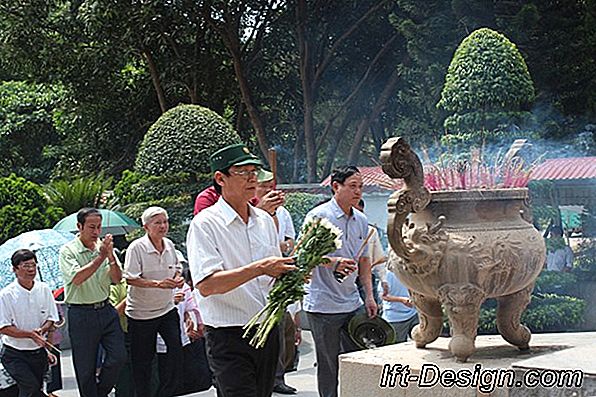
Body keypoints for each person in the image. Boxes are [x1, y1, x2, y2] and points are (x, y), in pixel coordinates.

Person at [186, 143, 296, 397]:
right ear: (220, 178)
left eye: (254, 171)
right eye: (242, 171)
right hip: (229, 335)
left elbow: (273, 271)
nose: (252, 178)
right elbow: (207, 284)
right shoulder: (205, 224)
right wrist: (259, 268)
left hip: (266, 329)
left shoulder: (265, 221)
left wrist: (292, 274)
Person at [302, 165, 377, 397]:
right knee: (328, 366)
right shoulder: (318, 216)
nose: (358, 192)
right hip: (323, 305)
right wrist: (333, 262)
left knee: (357, 361)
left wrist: (370, 296)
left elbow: (364, 261)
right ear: (336, 187)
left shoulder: (361, 220)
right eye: (352, 186)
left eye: (361, 187)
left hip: (352, 303)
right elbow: (303, 255)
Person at [59, 208, 126, 397]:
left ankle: (101, 392)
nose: (96, 232)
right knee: (85, 367)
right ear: (79, 227)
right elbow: (77, 278)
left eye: (99, 227)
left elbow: (117, 279)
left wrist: (111, 256)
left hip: (106, 309)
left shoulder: (104, 249)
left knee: (118, 357)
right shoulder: (68, 250)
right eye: (91, 227)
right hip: (81, 313)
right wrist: (101, 257)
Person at [124, 207, 184, 397]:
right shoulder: (137, 247)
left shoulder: (169, 244)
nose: (163, 226)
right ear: (146, 227)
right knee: (143, 361)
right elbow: (130, 278)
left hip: (166, 309)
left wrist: (177, 277)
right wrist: (158, 284)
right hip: (141, 314)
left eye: (165, 221)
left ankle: (166, 392)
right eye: (157, 222)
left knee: (177, 351)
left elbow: (177, 267)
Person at [255, 169, 297, 395]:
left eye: (272, 186)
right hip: (254, 281)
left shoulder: (283, 214)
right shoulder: (251, 213)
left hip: (277, 278)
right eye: (264, 186)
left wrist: (286, 248)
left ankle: (277, 377)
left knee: (279, 331)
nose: (270, 191)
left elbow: (290, 240)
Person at [0, 249, 59, 397]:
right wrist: (29, 335)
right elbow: (3, 327)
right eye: (26, 266)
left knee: (33, 389)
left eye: (33, 265)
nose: (31, 269)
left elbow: (52, 318)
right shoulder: (6, 295)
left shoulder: (44, 289)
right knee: (31, 387)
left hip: (38, 352)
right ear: (15, 269)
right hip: (14, 354)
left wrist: (42, 333)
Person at [354, 199, 387, 308]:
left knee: (370, 314)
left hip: (366, 278)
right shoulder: (338, 230)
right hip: (346, 277)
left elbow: (379, 257)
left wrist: (384, 280)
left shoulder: (370, 231)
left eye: (360, 211)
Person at [380, 271, 419, 343]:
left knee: (420, 341)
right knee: (397, 347)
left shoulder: (411, 271)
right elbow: (383, 296)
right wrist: (401, 300)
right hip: (395, 318)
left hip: (413, 314)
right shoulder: (388, 274)